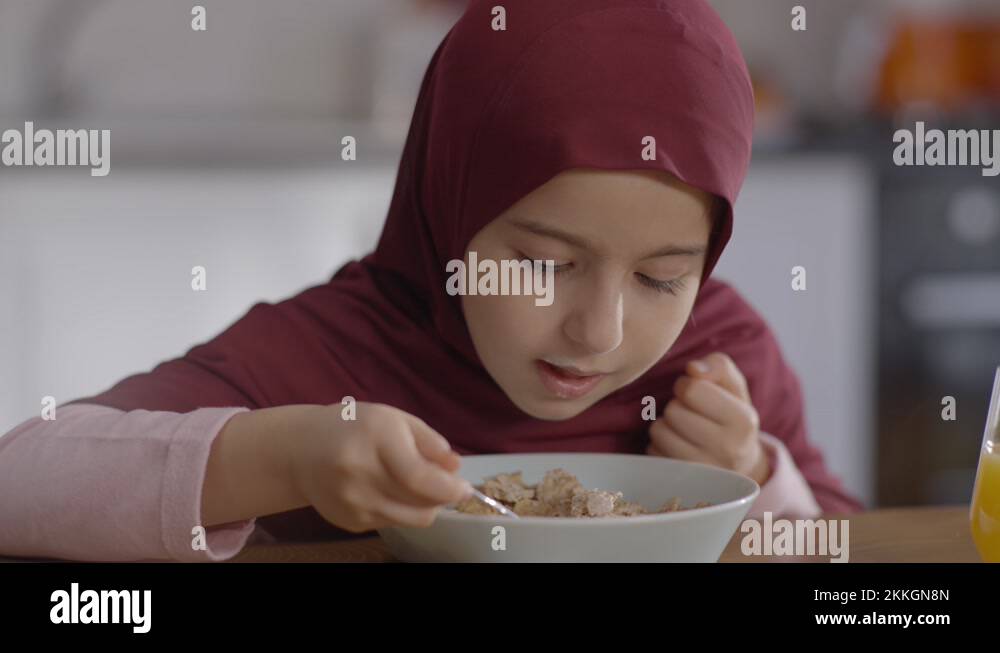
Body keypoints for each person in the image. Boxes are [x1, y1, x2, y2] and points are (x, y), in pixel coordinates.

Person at [0, 0, 862, 562]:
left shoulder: (720, 363)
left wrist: (755, 472)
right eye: (543, 265)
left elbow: (847, 552)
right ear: (446, 207)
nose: (597, 332)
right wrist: (283, 455)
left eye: (662, 277)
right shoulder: (332, 357)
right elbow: (20, 479)